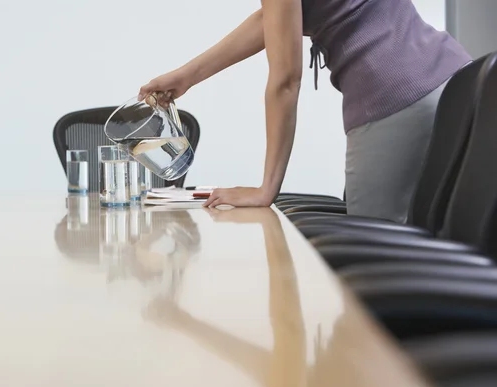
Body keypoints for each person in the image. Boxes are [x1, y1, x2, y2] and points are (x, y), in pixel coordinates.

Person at [138, 0, 471, 222]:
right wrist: (189, 76)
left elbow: (285, 80)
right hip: (456, 81)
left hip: (395, 100)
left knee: (372, 267)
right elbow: (271, 18)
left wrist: (266, 189)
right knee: (446, 240)